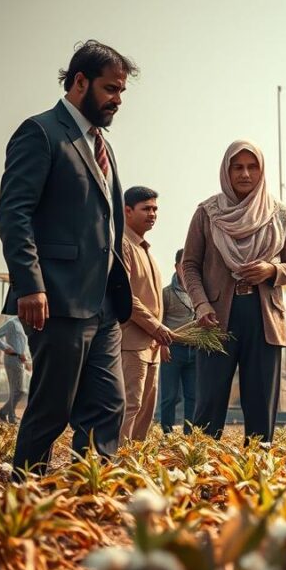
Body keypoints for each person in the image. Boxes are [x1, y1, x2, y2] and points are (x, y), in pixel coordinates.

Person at [0, 40, 137, 476]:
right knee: (51, 409)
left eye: (121, 92)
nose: (117, 100)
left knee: (110, 404)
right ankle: (24, 491)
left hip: (103, 305)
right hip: (55, 300)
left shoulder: (103, 146)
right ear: (79, 81)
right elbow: (13, 213)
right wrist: (30, 284)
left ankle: (89, 489)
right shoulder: (40, 133)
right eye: (110, 89)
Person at [181, 140, 286, 444]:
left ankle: (256, 474)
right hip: (215, 321)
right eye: (237, 167)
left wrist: (272, 271)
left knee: (261, 404)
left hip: (264, 320)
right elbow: (189, 265)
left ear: (261, 171)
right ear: (226, 171)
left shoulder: (279, 214)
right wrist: (200, 305)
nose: (245, 174)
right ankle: (201, 471)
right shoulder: (207, 213)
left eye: (252, 167)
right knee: (209, 404)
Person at [120, 186, 170, 441]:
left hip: (151, 345)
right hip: (131, 343)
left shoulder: (146, 249)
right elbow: (126, 298)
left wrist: (159, 338)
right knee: (130, 406)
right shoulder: (123, 245)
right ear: (127, 211)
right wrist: (157, 328)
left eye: (155, 209)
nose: (152, 214)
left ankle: (134, 464)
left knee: (146, 411)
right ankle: (116, 464)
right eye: (146, 209)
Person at [159, 248, 197, 434]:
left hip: (194, 350)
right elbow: (159, 322)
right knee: (170, 396)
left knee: (193, 396)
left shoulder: (198, 293)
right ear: (177, 267)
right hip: (172, 349)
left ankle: (189, 434)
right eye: (185, 264)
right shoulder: (166, 294)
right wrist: (162, 345)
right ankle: (167, 431)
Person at [0, 316, 31, 424]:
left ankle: (4, 413)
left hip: (20, 361)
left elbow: (23, 345)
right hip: (12, 359)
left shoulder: (26, 324)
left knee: (17, 390)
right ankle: (9, 415)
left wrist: (26, 360)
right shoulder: (12, 323)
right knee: (20, 390)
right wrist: (5, 347)